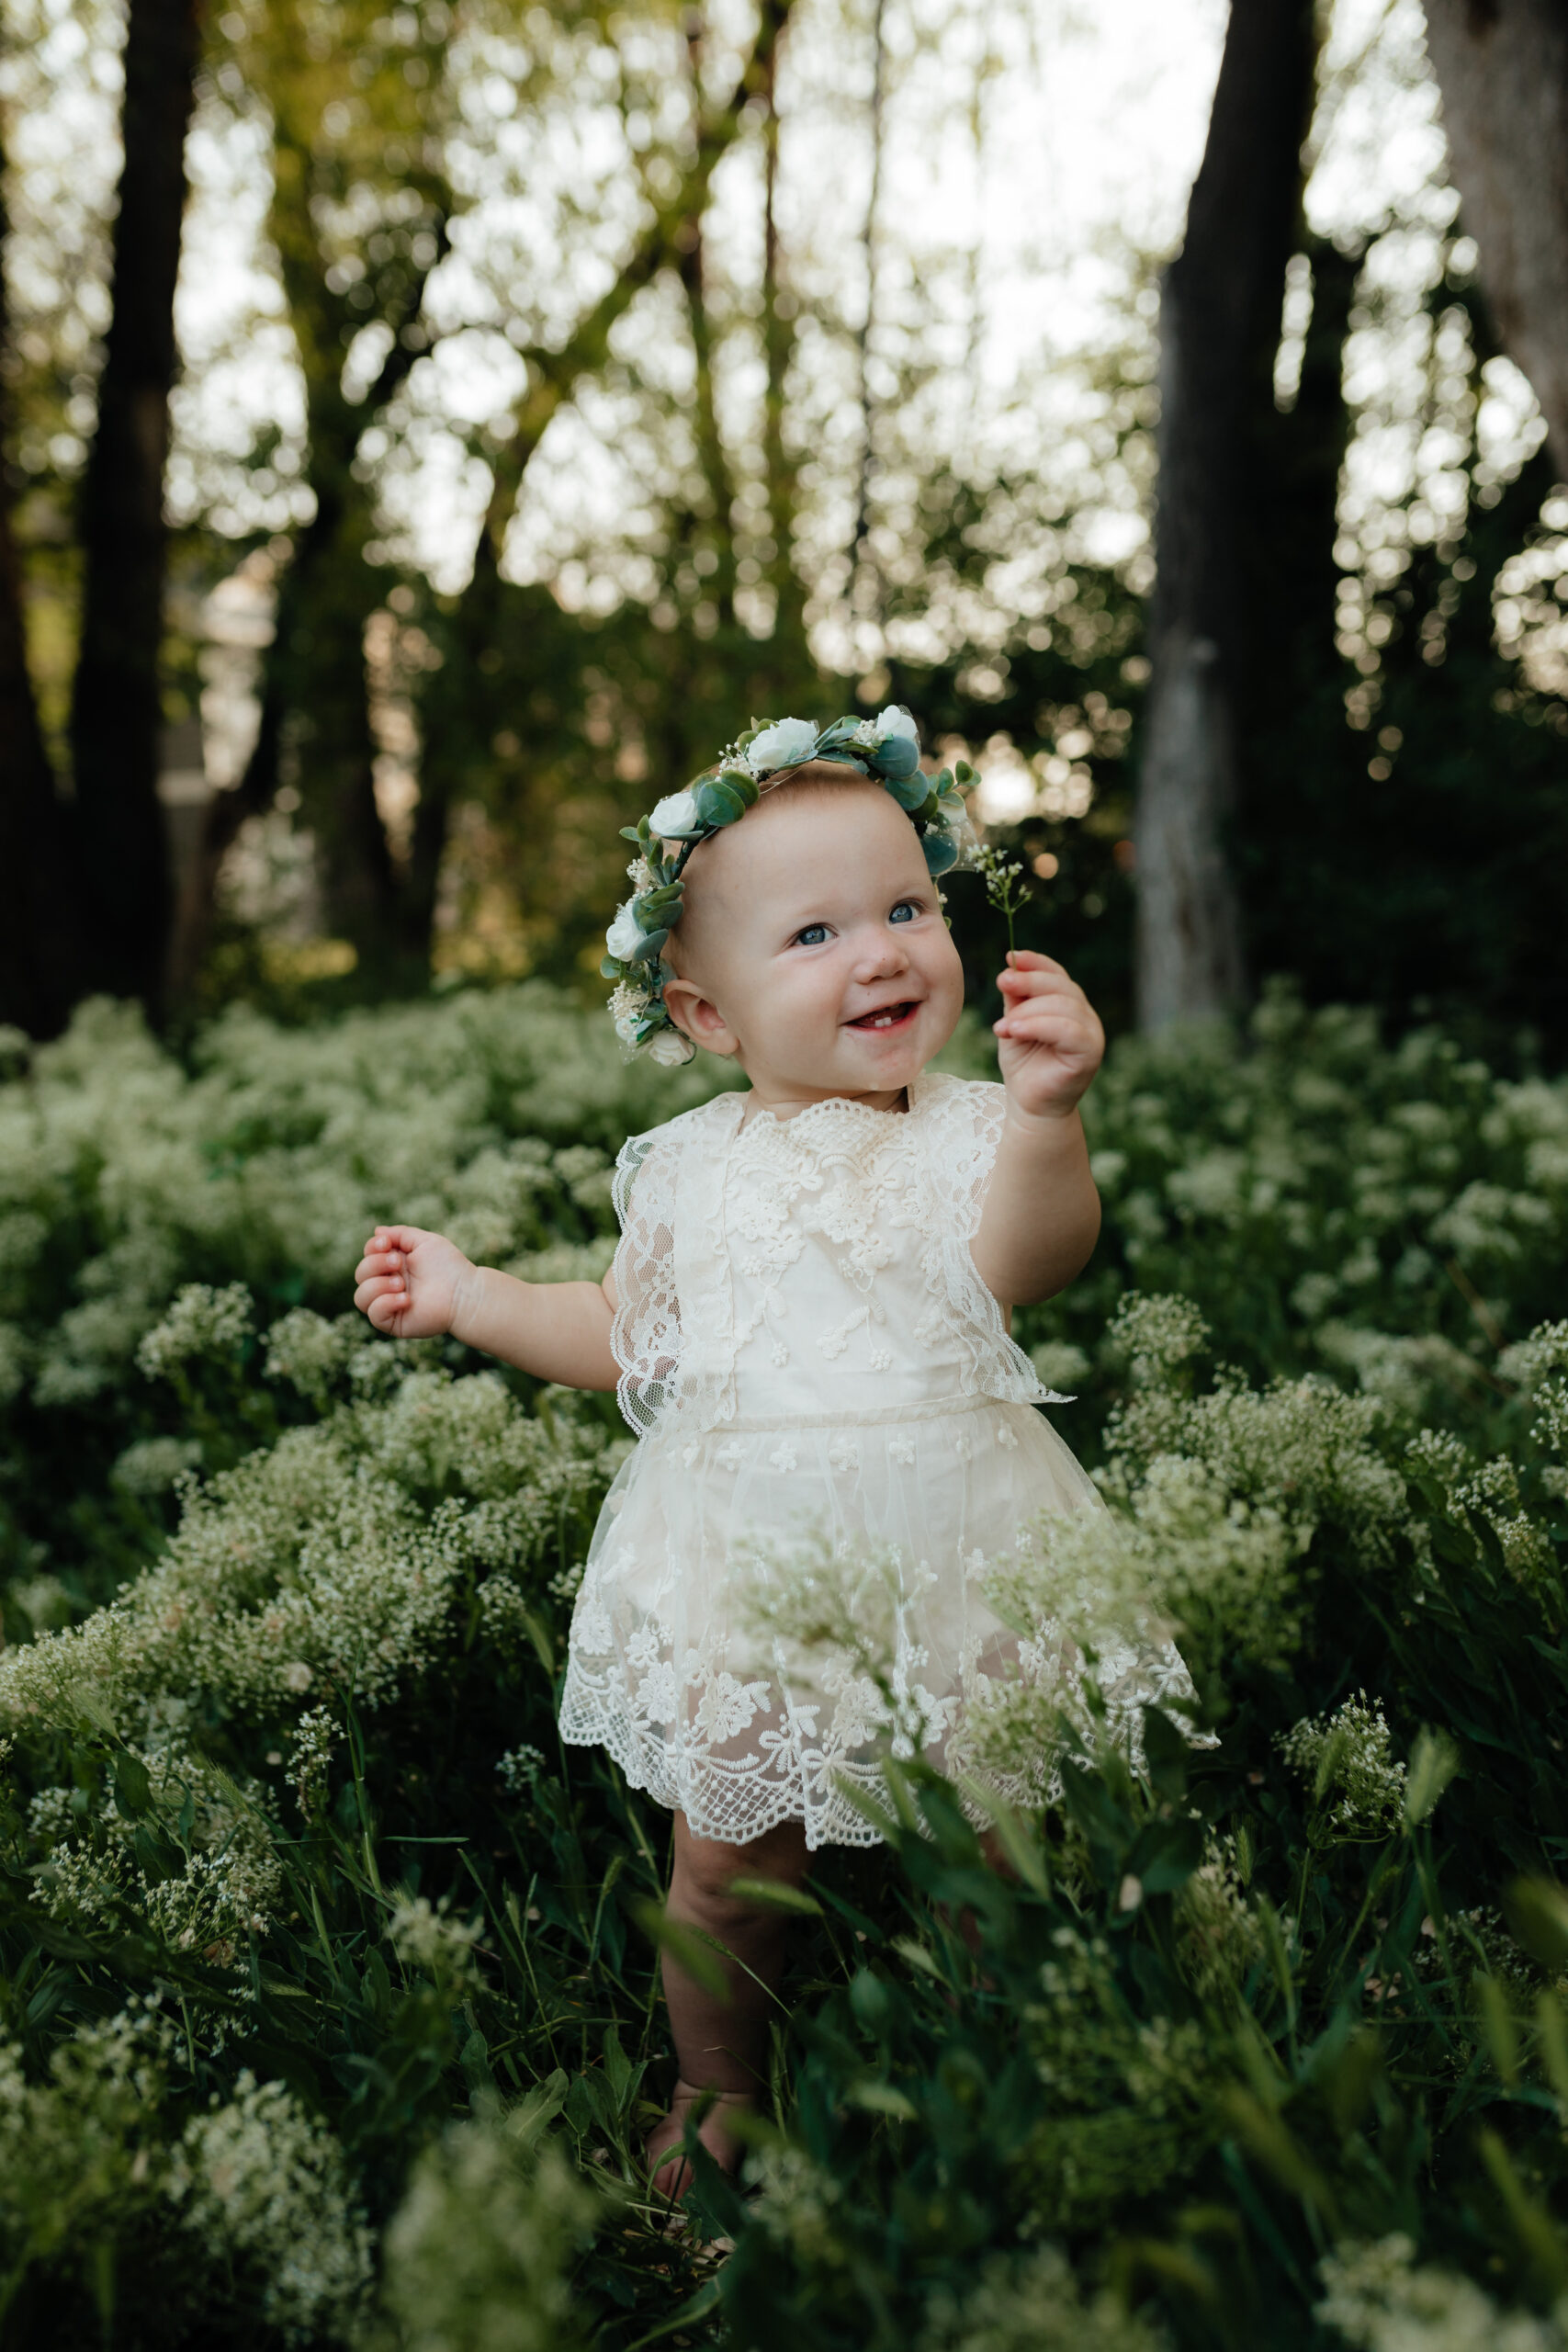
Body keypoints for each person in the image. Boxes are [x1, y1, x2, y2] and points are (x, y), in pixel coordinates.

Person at [352, 708, 1190, 2197]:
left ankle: (1011, 2062)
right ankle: (716, 2091)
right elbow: (626, 1336)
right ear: (705, 1019)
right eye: (815, 932)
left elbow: (1027, 1261)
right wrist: (476, 1295)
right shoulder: (685, 1167)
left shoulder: (971, 1127)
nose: (882, 951)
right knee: (731, 1869)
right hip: (750, 1560)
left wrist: (1053, 1119)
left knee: (998, 1849)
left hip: (960, 1545)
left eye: (908, 908)